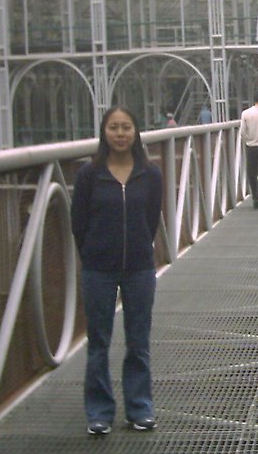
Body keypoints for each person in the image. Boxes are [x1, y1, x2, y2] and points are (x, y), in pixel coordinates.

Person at [71, 105, 163, 436]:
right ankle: (99, 411)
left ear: (136, 132)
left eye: (126, 127)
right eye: (114, 127)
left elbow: (151, 218)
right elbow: (78, 222)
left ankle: (140, 407)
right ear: (104, 133)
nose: (120, 133)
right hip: (98, 268)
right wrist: (94, 253)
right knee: (99, 340)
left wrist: (139, 247)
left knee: (138, 340)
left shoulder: (150, 174)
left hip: (139, 267)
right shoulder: (89, 174)